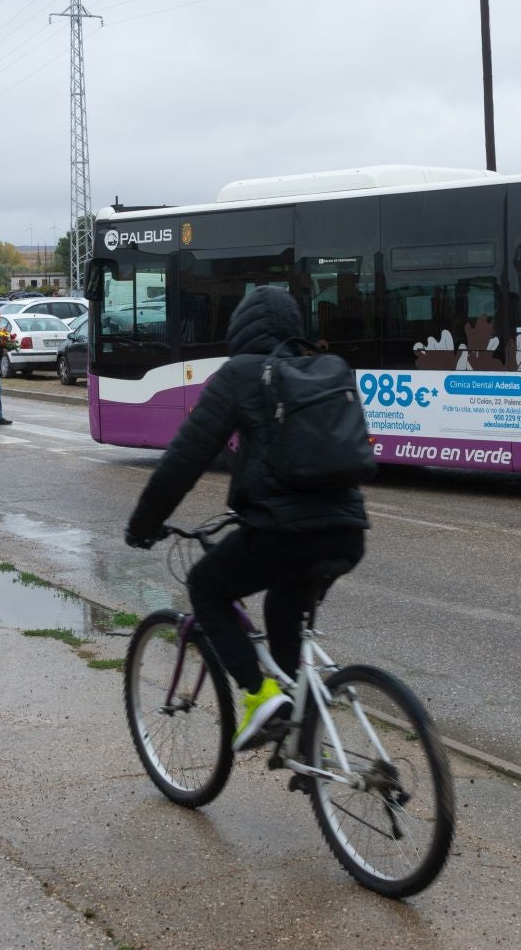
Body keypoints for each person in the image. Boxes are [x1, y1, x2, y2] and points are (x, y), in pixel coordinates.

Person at [125, 287, 370, 752]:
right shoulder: (327, 368)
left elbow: (183, 461)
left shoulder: (239, 374)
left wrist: (143, 526)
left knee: (206, 586)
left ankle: (260, 696)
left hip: (280, 534)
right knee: (284, 607)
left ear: (239, 328)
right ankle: (299, 735)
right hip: (347, 531)